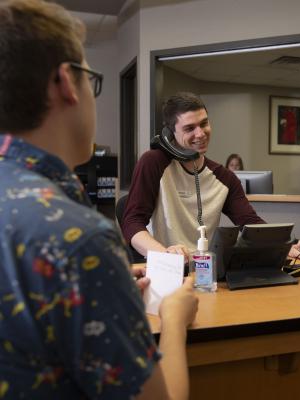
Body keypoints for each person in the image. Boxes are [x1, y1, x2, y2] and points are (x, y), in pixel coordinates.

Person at [0, 1, 198, 399]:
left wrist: (108, 289)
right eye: (92, 80)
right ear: (66, 83)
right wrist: (174, 319)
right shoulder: (79, 239)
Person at [122, 92, 265, 260]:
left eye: (204, 124)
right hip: (165, 267)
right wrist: (165, 254)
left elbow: (251, 224)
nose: (200, 134)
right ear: (170, 133)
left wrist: (290, 244)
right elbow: (132, 222)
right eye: (189, 128)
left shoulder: (225, 178)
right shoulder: (153, 162)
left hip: (205, 272)